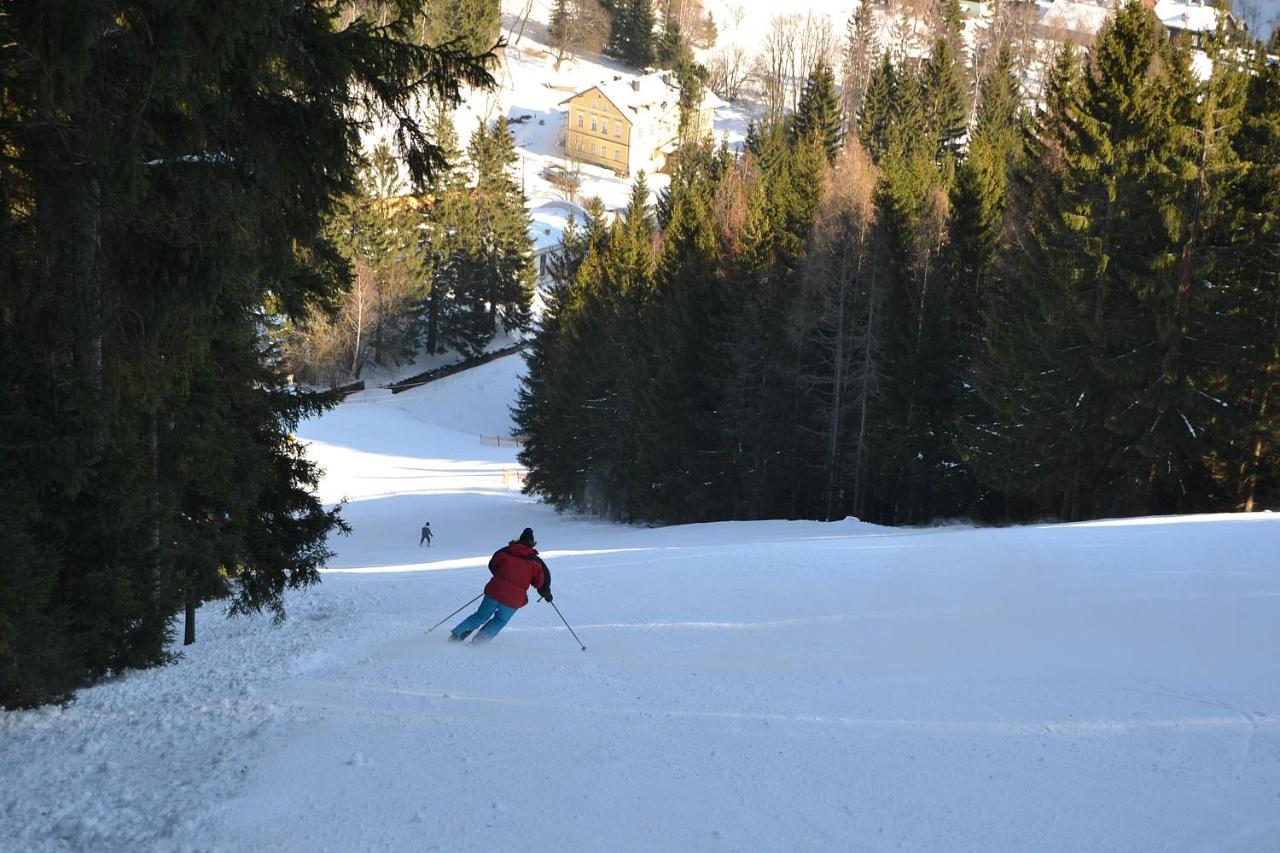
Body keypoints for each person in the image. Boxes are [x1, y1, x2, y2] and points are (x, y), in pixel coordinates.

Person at [451, 527, 551, 644]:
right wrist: (546, 593)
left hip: (494, 592)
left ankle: (456, 637)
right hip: (514, 599)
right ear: (532, 544)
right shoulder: (535, 562)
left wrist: (500, 578)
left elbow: (492, 565)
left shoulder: (505, 552)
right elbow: (541, 582)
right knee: (500, 620)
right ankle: (478, 643)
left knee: (479, 616)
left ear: (519, 540)